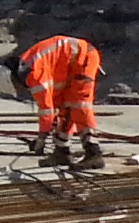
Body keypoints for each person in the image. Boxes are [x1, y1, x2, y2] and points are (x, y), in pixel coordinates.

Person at [19, 32, 103, 166]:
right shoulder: (28, 64)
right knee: (65, 107)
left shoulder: (33, 74)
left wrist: (41, 140)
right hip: (73, 61)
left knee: (79, 105)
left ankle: (93, 153)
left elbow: (47, 112)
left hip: (83, 58)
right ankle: (62, 151)